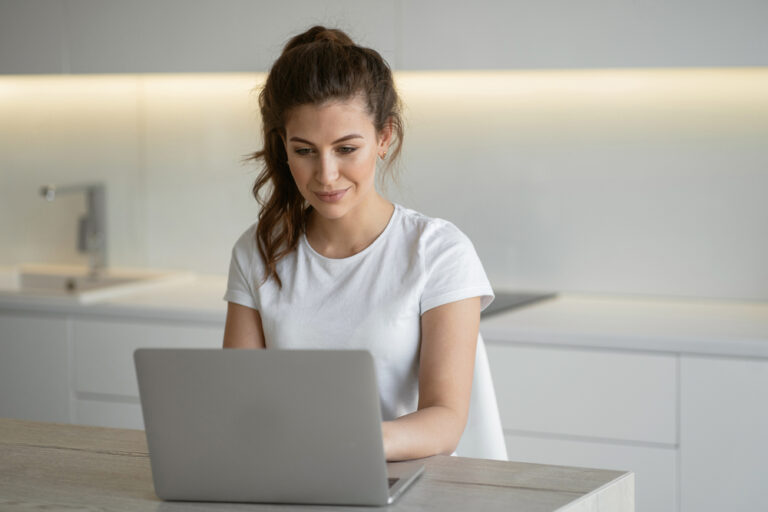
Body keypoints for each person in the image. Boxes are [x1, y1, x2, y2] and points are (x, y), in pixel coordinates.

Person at [222, 25, 494, 462]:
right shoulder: (258, 252)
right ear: (283, 148)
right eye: (305, 150)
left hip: (409, 485)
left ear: (383, 137)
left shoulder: (439, 253)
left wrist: (342, 444)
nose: (326, 175)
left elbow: (444, 420)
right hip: (293, 479)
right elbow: (239, 404)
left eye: (346, 148)